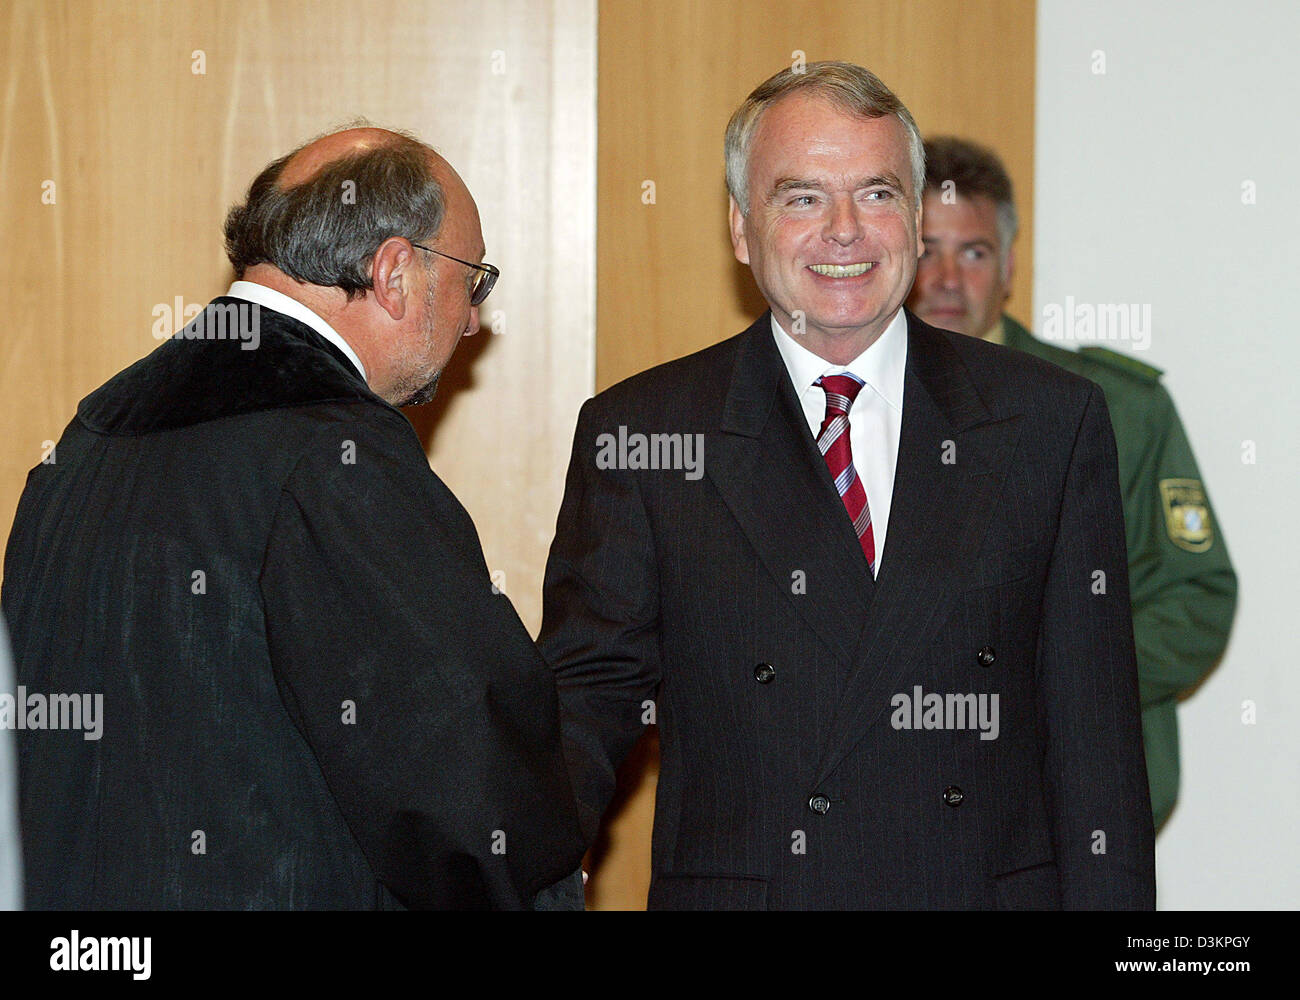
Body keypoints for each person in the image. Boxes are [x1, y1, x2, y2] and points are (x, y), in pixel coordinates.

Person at [540, 62, 1155, 909]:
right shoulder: (642, 433)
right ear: (741, 229)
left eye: (875, 194)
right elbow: (588, 701)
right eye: (800, 198)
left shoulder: (1048, 423)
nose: (844, 232)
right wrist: (517, 861)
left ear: (912, 214)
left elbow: (1098, 751)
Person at [1, 127, 584, 909]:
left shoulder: (85, 443)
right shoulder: (334, 456)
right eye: (471, 280)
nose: (473, 320)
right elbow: (464, 787)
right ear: (395, 273)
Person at [907, 136, 1238, 831]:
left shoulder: (1115, 406)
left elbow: (1195, 599)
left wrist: (1059, 676)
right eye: (925, 248)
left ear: (1009, 266)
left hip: (1073, 810)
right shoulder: (840, 411)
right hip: (891, 813)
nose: (944, 278)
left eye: (972, 252)